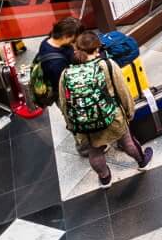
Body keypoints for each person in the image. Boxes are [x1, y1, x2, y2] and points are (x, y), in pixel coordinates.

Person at [57, 30, 153, 188]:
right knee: (128, 142)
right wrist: (129, 112)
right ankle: (142, 162)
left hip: (85, 125)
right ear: (97, 49)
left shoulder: (66, 74)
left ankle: (105, 178)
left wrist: (73, 126)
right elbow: (123, 91)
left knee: (95, 152)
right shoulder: (107, 65)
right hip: (112, 117)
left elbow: (64, 103)